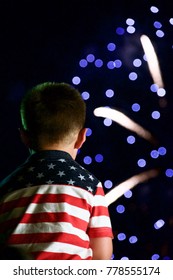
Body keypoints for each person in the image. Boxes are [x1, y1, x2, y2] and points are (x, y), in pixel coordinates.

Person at [0, 82, 113, 260]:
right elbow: (102, 255)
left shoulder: (6, 187)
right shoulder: (90, 185)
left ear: (24, 137)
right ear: (82, 138)